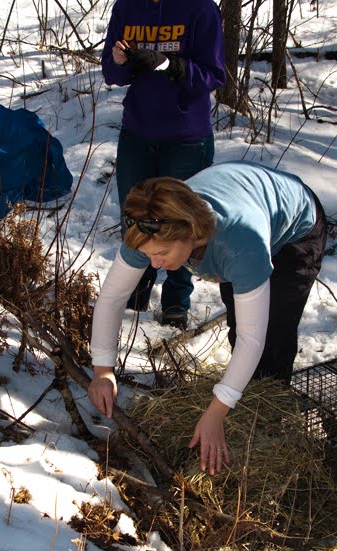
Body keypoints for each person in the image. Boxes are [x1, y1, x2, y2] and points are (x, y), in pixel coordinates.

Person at [88, 161, 328, 475]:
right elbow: (112, 298)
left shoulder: (241, 245)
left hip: (297, 227)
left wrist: (214, 413)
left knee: (272, 334)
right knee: (240, 325)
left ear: (190, 232)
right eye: (149, 256)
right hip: (242, 205)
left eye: (161, 254)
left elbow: (252, 339)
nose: (154, 263)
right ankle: (240, 397)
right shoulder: (150, 228)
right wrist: (103, 371)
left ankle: (269, 420)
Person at [100, 0, 226, 329]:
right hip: (137, 131)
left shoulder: (201, 9)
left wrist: (168, 64)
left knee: (182, 219)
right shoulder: (127, 7)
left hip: (185, 135)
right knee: (136, 214)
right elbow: (112, 74)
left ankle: (175, 302)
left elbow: (213, 75)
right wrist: (119, 61)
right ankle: (137, 287)